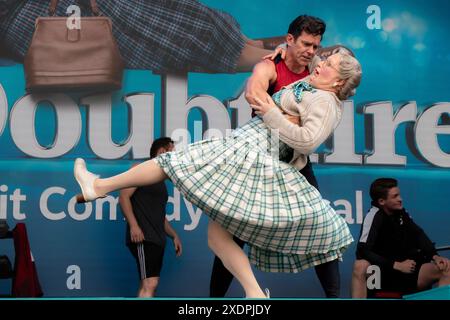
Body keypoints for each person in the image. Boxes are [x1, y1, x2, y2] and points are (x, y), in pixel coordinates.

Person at [74, 51, 361, 298]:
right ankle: (255, 293)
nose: (320, 61)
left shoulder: (325, 102)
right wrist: (281, 53)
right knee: (217, 237)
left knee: (174, 162)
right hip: (251, 146)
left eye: (329, 63)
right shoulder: (314, 85)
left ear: (337, 81)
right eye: (324, 57)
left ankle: (98, 186)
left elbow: (308, 141)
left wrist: (272, 114)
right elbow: (291, 76)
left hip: (256, 153)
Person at [210, 15, 343, 298]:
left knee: (321, 226)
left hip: (295, 163)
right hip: (262, 161)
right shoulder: (270, 65)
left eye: (316, 46)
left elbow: (348, 65)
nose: (310, 50)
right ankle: (214, 302)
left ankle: (334, 297)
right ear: (290, 39)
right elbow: (255, 94)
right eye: (305, 43)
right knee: (235, 232)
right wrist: (288, 116)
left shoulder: (318, 72)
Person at [0, 0, 286, 74]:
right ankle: (263, 57)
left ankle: (246, 44)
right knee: (132, 15)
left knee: (160, 9)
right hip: (23, 20)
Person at [351, 178, 450, 298]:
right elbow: (363, 250)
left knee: (446, 268)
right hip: (384, 271)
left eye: (399, 195)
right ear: (382, 201)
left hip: (408, 271)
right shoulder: (373, 216)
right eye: (395, 196)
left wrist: (434, 256)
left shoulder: (402, 213)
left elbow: (418, 234)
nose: (400, 199)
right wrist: (396, 265)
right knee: (360, 265)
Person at [119, 137, 182, 298]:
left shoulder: (159, 180)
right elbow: (124, 197)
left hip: (157, 239)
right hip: (143, 237)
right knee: (150, 284)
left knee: (149, 285)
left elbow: (159, 215)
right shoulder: (140, 168)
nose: (175, 157)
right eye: (172, 153)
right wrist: (134, 226)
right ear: (162, 152)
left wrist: (174, 235)